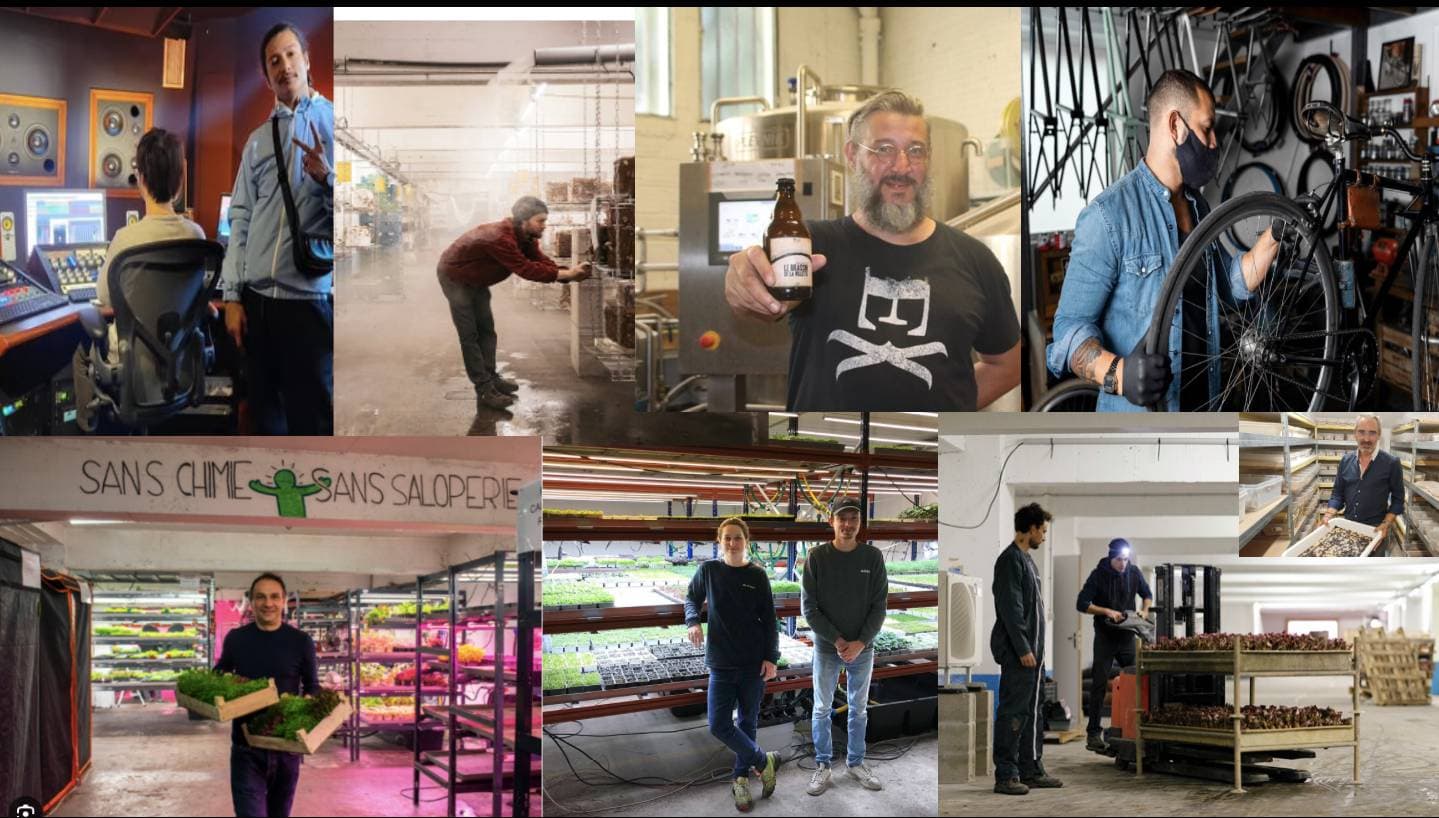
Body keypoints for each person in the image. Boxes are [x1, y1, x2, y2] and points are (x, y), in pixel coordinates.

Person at [724, 89, 1020, 411]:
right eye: (884, 149)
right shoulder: (810, 244)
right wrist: (743, 284)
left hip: (929, 460)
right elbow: (753, 292)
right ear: (852, 155)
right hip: (825, 455)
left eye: (916, 150)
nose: (902, 166)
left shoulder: (975, 260)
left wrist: (946, 415)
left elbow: (1007, 365)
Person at [1045, 69, 1283, 411]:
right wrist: (1119, 373)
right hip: (1138, 428)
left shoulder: (1199, 206)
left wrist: (1273, 237)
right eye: (1206, 127)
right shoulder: (1108, 216)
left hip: (1206, 408)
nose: (1214, 142)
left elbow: (1226, 287)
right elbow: (1067, 332)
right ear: (1176, 126)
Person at [220, 21, 335, 435]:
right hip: (257, 305)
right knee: (265, 417)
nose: (284, 65)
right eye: (274, 60)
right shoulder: (256, 141)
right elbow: (241, 218)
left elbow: (358, 212)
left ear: (306, 60)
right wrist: (232, 297)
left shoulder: (336, 125)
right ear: (266, 76)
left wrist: (327, 178)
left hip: (309, 304)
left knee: (313, 421)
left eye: (290, 54)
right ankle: (274, 495)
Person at [436, 196, 592, 411]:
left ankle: (491, 377)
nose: (544, 226)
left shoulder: (526, 237)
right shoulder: (500, 238)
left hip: (476, 279)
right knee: (470, 334)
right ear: (523, 220)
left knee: (487, 330)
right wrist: (566, 274)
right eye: (541, 221)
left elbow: (540, 261)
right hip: (455, 277)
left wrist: (567, 274)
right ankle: (484, 388)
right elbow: (525, 269)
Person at [684, 518, 781, 812]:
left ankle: (740, 779)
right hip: (721, 662)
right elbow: (691, 598)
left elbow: (770, 620)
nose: (732, 543)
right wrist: (693, 622)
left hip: (753, 663)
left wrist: (771, 657)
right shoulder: (709, 571)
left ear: (746, 541)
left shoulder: (758, 575)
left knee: (748, 722)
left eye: (737, 538)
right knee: (719, 724)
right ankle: (764, 761)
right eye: (727, 538)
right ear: (719, 540)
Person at [801, 497, 888, 795]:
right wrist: (839, 641)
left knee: (859, 709)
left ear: (860, 523)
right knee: (822, 707)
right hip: (828, 648)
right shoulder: (817, 558)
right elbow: (809, 608)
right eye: (843, 518)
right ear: (832, 521)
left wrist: (861, 642)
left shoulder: (873, 558)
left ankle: (856, 762)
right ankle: (823, 766)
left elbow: (879, 606)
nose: (848, 524)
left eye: (854, 519)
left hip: (863, 648)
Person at [214, 573, 318, 818]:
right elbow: (219, 674)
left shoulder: (301, 642)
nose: (268, 603)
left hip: (287, 747)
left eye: (274, 596)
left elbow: (313, 685)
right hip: (246, 747)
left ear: (284, 601)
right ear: (251, 601)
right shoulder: (237, 639)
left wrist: (309, 706)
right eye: (260, 597)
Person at [991, 502, 1060, 795]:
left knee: (1033, 713)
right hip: (1020, 655)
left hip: (1034, 655)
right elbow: (1011, 609)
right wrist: (1022, 647)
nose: (1043, 536)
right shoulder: (1010, 560)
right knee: (1014, 713)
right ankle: (1006, 775)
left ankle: (1030, 768)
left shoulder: (1028, 561)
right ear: (1030, 529)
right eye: (1042, 531)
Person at [1075, 538, 1153, 751]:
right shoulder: (1098, 575)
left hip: (1127, 636)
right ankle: (1093, 734)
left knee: (1138, 678)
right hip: (1105, 636)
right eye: (1119, 560)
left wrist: (1144, 611)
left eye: (1126, 560)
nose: (1123, 564)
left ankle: (1141, 727)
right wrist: (1106, 611)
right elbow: (1081, 604)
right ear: (1111, 558)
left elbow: (1147, 595)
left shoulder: (1134, 573)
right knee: (1099, 684)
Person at [1318, 413, 1403, 543]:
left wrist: (1386, 523)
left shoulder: (1391, 463)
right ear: (1355, 433)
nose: (1366, 439)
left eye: (1372, 433)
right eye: (1361, 432)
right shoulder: (1345, 461)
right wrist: (1328, 515)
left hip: (1376, 528)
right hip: (1348, 526)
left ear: (1379, 435)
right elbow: (1337, 494)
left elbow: (1398, 500)